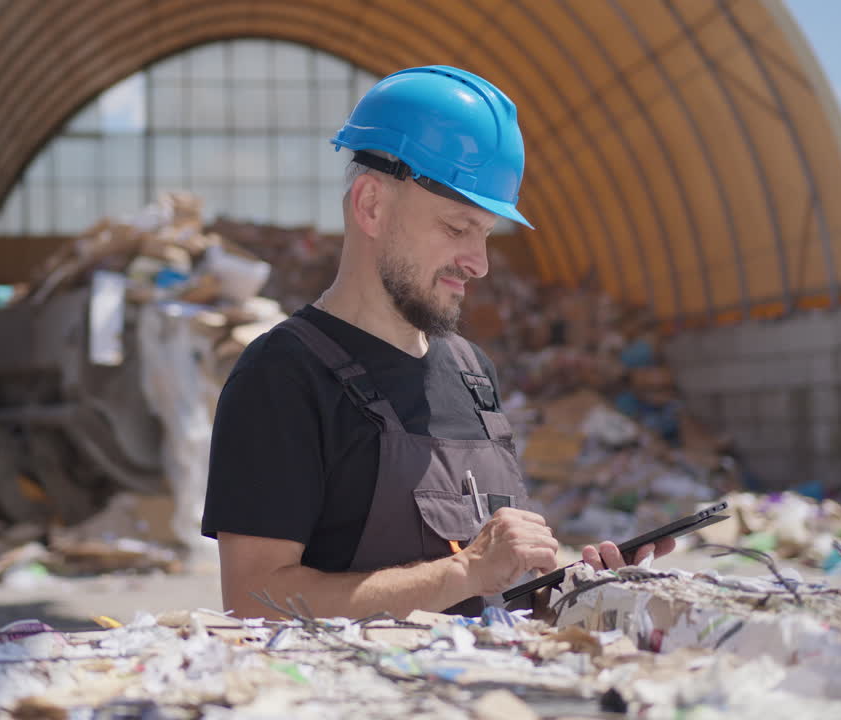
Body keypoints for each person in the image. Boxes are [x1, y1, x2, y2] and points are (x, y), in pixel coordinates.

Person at [201, 66, 673, 621]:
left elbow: (490, 594)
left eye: (486, 234)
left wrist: (575, 591)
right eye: (456, 228)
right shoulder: (282, 376)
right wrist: (463, 572)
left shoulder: (474, 373)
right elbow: (254, 601)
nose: (480, 263)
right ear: (371, 205)